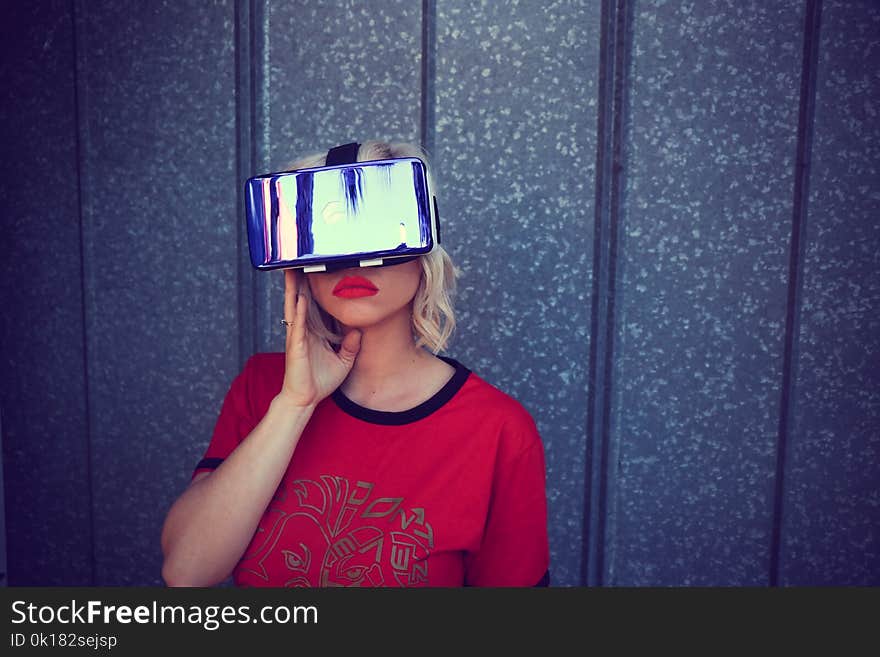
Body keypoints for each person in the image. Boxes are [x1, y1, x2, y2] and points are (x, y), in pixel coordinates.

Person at [160, 140, 550, 587]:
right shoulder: (263, 388)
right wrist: (294, 405)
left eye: (378, 229)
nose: (351, 264)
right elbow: (186, 572)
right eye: (329, 235)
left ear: (424, 245)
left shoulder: (497, 430)